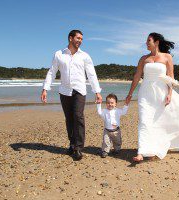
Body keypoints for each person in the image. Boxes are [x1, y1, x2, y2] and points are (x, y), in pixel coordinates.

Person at [125, 32, 179, 162]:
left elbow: (170, 77)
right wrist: (130, 94)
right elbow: (137, 76)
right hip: (145, 93)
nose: (146, 43)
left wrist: (169, 94)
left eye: (149, 41)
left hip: (161, 92)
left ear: (156, 42)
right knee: (144, 120)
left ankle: (154, 148)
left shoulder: (167, 57)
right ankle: (142, 152)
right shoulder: (143, 58)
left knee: (161, 121)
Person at [41, 30, 102, 161]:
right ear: (70, 38)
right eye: (78, 38)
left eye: (81, 39)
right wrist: (45, 89)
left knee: (78, 117)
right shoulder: (59, 54)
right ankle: (72, 144)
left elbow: (91, 74)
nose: (80, 40)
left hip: (79, 91)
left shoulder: (85, 56)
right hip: (64, 91)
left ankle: (79, 148)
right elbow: (52, 72)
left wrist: (97, 91)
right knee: (69, 119)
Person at [97, 93, 129, 158]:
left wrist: (126, 104)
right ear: (106, 103)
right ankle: (105, 151)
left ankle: (117, 150)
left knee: (117, 141)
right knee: (106, 142)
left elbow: (124, 112)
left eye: (112, 103)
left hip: (116, 130)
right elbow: (99, 112)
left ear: (115, 104)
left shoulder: (117, 111)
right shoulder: (104, 111)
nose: (110, 104)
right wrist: (99, 104)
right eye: (108, 103)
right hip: (107, 130)